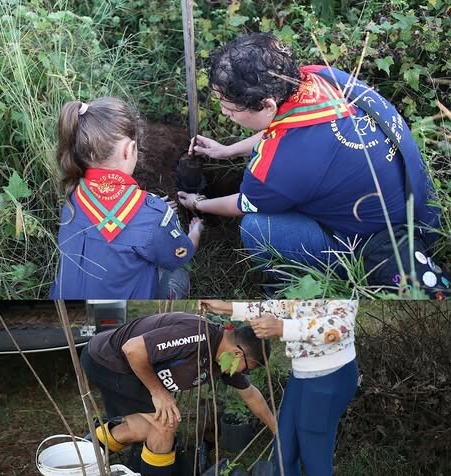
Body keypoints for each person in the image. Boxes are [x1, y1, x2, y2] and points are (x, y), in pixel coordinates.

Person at [178, 33, 442, 289]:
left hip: (380, 244)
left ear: (267, 105)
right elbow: (283, 128)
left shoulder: (279, 166)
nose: (225, 113)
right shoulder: (317, 76)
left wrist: (198, 203)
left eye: (230, 109)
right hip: (422, 206)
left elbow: (242, 204)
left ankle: (294, 284)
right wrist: (227, 151)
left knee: (257, 228)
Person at [201, 299, 358, 476]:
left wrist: (282, 328)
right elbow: (285, 305)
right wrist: (228, 308)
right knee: (284, 451)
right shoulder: (306, 278)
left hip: (329, 377)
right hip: (302, 375)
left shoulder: (341, 284)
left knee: (315, 463)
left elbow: (340, 325)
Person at [80, 311, 275, 476]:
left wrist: (277, 431)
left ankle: (85, 449)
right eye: (247, 369)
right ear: (237, 353)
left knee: (141, 430)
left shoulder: (223, 358)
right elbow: (133, 350)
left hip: (129, 369)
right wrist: (158, 393)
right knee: (166, 421)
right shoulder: (197, 336)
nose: (243, 373)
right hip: (109, 362)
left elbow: (251, 394)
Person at [50, 97, 203, 299]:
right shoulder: (155, 217)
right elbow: (182, 253)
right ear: (129, 149)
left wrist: (152, 211)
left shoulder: (73, 195)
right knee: (179, 275)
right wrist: (195, 232)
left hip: (66, 298)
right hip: (126, 306)